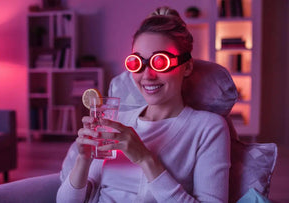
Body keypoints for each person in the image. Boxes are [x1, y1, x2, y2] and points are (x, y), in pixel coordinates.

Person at [57, 6, 230, 203]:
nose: (147, 75)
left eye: (160, 62)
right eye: (136, 63)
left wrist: (145, 159)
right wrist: (83, 160)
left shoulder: (208, 128)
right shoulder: (116, 122)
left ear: (187, 66)